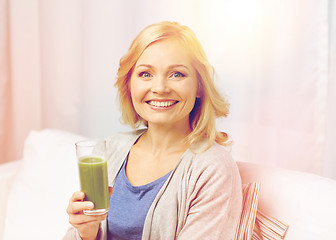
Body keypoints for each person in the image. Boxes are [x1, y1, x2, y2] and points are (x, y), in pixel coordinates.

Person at [64, 21, 242, 240]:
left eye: (177, 74)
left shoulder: (213, 168)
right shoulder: (112, 148)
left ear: (199, 86)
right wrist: (85, 233)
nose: (160, 88)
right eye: (146, 74)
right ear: (129, 85)